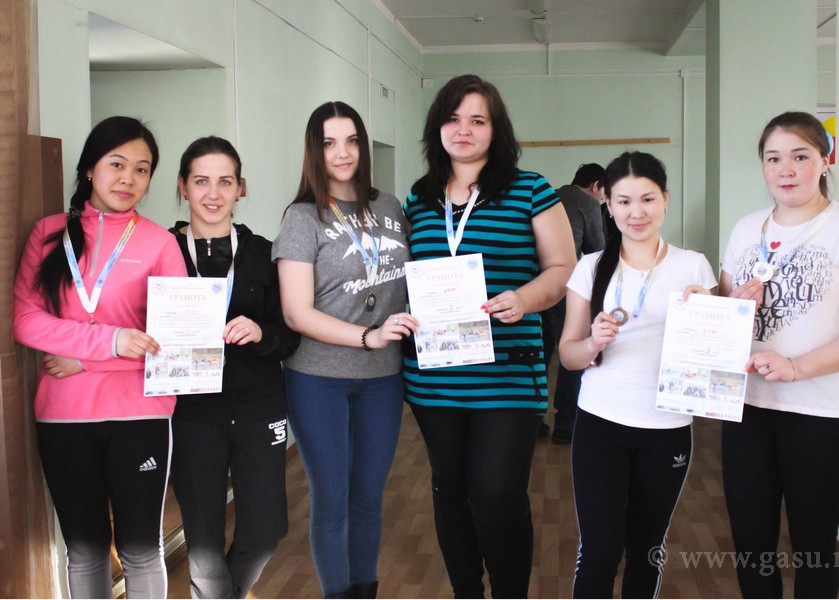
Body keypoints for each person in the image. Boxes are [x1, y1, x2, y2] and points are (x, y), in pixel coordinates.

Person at [403, 74, 576, 598]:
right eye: (453, 119)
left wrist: (524, 298)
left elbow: (563, 267)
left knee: (497, 494)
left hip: (507, 370)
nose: (464, 130)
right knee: (449, 488)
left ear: (496, 130)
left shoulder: (530, 189)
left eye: (477, 120)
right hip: (435, 374)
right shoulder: (420, 197)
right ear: (437, 128)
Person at [719, 111, 839, 598]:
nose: (786, 169)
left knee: (813, 546)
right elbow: (725, 313)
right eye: (774, 158)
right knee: (751, 544)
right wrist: (716, 305)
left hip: (822, 414)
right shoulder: (746, 229)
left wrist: (797, 367)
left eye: (800, 156)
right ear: (763, 166)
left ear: (824, 160)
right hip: (747, 408)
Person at [12, 116, 187, 598]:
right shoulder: (48, 234)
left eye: (142, 169)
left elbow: (176, 342)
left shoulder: (160, 242)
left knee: (140, 549)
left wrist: (89, 359)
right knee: (85, 550)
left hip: (140, 415)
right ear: (90, 168)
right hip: (64, 417)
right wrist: (110, 341)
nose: (129, 178)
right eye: (117, 164)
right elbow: (25, 321)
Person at [273, 101, 416, 599]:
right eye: (329, 142)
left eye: (352, 140)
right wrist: (365, 337)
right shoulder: (302, 217)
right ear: (314, 150)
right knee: (332, 499)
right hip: (318, 378)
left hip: (383, 378)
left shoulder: (390, 207)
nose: (342, 152)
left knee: (369, 498)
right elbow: (296, 313)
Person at [558, 151, 716, 599]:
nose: (636, 212)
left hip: (667, 428)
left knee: (647, 549)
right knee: (600, 550)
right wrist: (593, 343)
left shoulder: (693, 266)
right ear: (608, 205)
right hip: (600, 424)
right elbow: (568, 356)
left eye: (647, 199)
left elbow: (713, 359)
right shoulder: (590, 267)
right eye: (624, 201)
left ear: (665, 199)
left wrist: (711, 315)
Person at [169, 137, 300, 598]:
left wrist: (261, 333)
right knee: (203, 540)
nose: (213, 193)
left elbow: (290, 336)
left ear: (240, 188)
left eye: (225, 182)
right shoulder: (163, 251)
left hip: (258, 408)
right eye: (201, 181)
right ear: (183, 186)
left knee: (266, 531)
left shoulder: (265, 253)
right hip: (191, 413)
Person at [542, 162, 607, 444]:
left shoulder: (548, 196)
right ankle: (565, 423)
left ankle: (533, 420)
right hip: (563, 286)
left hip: (532, 286)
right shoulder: (587, 203)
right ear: (595, 185)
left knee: (538, 354)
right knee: (570, 352)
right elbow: (598, 250)